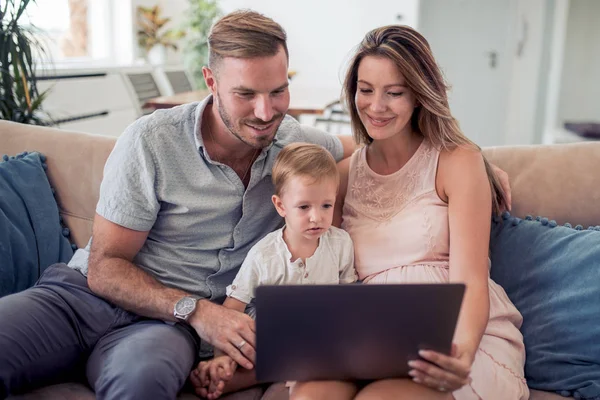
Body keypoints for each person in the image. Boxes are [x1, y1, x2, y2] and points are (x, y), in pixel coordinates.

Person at [0, 10, 511, 400]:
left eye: (278, 90)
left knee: (144, 380)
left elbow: (380, 146)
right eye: (246, 94)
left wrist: (478, 162)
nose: (264, 113)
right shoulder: (151, 141)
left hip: (164, 331)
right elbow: (105, 269)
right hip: (88, 301)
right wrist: (200, 312)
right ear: (211, 81)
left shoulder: (294, 145)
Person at [290, 26, 528, 400]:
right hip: (366, 338)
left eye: (394, 93)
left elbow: (470, 280)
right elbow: (324, 277)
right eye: (365, 90)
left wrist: (461, 356)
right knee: (311, 394)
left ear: (418, 95)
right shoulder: (340, 177)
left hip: (453, 335)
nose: (376, 106)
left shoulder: (459, 162)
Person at [190, 143, 357, 399]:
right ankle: (224, 372)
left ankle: (265, 373)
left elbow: (349, 296)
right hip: (271, 333)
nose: (317, 217)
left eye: (326, 205)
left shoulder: (340, 243)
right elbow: (232, 309)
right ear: (280, 206)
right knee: (254, 347)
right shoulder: (264, 254)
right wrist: (222, 357)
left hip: (318, 332)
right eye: (304, 207)